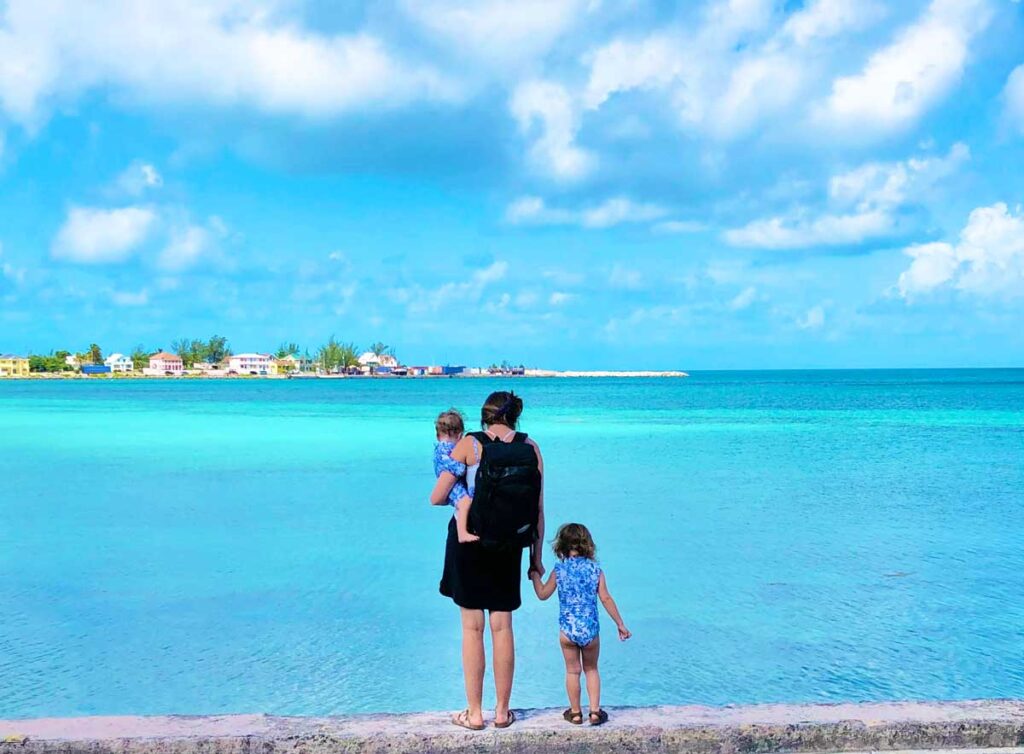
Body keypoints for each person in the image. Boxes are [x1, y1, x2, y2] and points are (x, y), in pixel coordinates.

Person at [431, 390, 545, 731]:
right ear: (514, 417)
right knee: (502, 627)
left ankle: (475, 713)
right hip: (509, 545)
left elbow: (438, 496)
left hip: (470, 543)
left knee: (472, 628)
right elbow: (538, 511)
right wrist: (535, 560)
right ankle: (502, 712)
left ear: (485, 416)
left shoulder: (470, 444)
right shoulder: (530, 448)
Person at [529, 522, 630, 727]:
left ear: (562, 546)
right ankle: (594, 712)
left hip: (567, 630)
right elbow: (606, 598)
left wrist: (534, 576)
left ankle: (575, 713)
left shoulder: (559, 570)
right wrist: (620, 623)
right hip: (590, 630)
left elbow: (542, 595)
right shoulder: (595, 570)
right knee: (591, 669)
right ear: (588, 545)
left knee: (572, 671)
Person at [431, 409, 479, 543]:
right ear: (459, 436)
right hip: (454, 483)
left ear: (437, 435)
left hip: (449, 482)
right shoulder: (448, 449)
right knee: (464, 502)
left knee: (463, 503)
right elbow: (455, 467)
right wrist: (464, 467)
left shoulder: (439, 448)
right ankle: (462, 533)